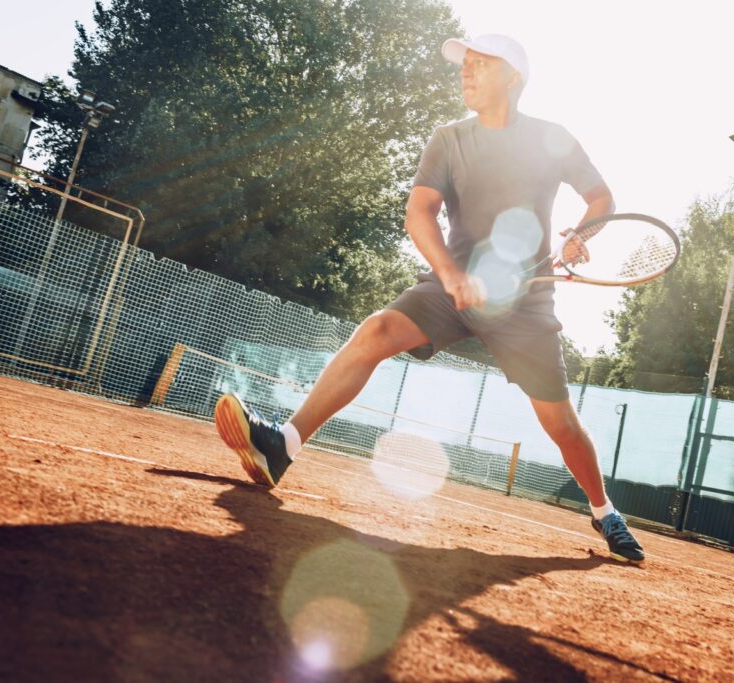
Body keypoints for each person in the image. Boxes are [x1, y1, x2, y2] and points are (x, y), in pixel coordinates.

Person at [215, 34, 644, 563]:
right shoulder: (448, 138)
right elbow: (419, 213)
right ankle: (283, 446)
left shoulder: (551, 138)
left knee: (560, 423)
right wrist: (452, 274)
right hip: (452, 284)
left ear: (513, 77)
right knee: (376, 331)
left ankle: (604, 511)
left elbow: (601, 197)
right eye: (464, 65)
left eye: (479, 65)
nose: (466, 73)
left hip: (526, 303)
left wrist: (580, 237)